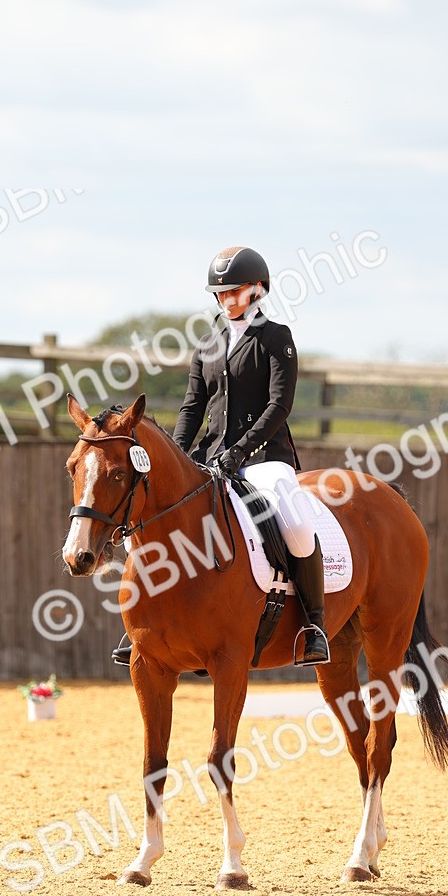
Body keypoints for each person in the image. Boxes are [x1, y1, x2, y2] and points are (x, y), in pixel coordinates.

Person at [112, 245, 330, 668]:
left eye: (236, 291)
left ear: (258, 290)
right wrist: (174, 457)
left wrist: (239, 453)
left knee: (299, 527)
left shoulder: (275, 337)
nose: (228, 300)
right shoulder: (207, 345)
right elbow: (193, 408)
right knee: (166, 517)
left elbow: (278, 406)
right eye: (221, 293)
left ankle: (313, 625)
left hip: (265, 458)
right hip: (209, 459)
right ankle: (143, 624)